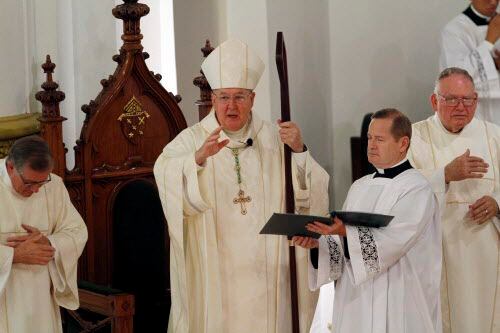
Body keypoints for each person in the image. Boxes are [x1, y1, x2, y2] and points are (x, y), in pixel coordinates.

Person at [154, 39, 330, 333]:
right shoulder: (191, 140)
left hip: (269, 274)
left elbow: (314, 187)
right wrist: (196, 160)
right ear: (213, 100)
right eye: (224, 97)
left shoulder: (276, 139)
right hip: (215, 273)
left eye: (239, 97)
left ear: (253, 99)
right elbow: (165, 175)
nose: (231, 106)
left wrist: (299, 150)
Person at [294, 109, 442, 333]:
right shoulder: (360, 186)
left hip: (398, 294)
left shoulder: (417, 188)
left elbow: (394, 242)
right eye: (370, 138)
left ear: (403, 143)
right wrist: (319, 244)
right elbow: (343, 246)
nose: (371, 145)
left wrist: (344, 233)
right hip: (357, 298)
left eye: (380, 139)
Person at [408, 67, 499, 333]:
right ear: (434, 101)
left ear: (476, 100)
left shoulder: (494, 136)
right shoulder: (414, 137)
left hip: (488, 255)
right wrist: (445, 174)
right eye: (451, 99)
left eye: (467, 99)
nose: (461, 106)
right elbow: (399, 189)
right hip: (438, 251)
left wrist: (497, 204)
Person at [0, 135, 88, 333]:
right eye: (29, 183)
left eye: (42, 183)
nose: (37, 191)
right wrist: (14, 255)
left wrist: (49, 241)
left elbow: (77, 232)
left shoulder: (54, 185)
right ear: (11, 167)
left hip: (41, 299)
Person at [439, 0, 500, 124]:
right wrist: (489, 42)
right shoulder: (454, 31)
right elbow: (456, 80)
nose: (494, 2)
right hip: (476, 116)